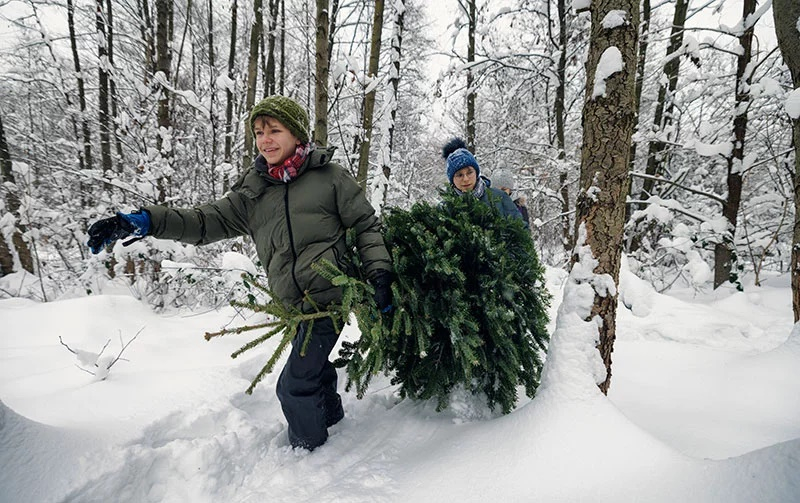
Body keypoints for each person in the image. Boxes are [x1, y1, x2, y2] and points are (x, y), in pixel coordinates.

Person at [86, 95, 393, 451]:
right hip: (294, 305)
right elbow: (202, 222)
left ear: (296, 134)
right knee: (315, 371)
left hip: (331, 301)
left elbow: (366, 226)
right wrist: (144, 221)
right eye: (259, 132)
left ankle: (311, 453)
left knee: (294, 387)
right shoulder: (253, 192)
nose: (265, 139)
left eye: (275, 130)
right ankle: (332, 423)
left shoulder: (330, 178)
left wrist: (379, 275)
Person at [442, 138, 523, 222]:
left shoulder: (499, 198)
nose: (465, 179)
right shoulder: (444, 210)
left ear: (476, 173)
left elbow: (521, 228)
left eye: (469, 173)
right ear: (452, 179)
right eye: (459, 175)